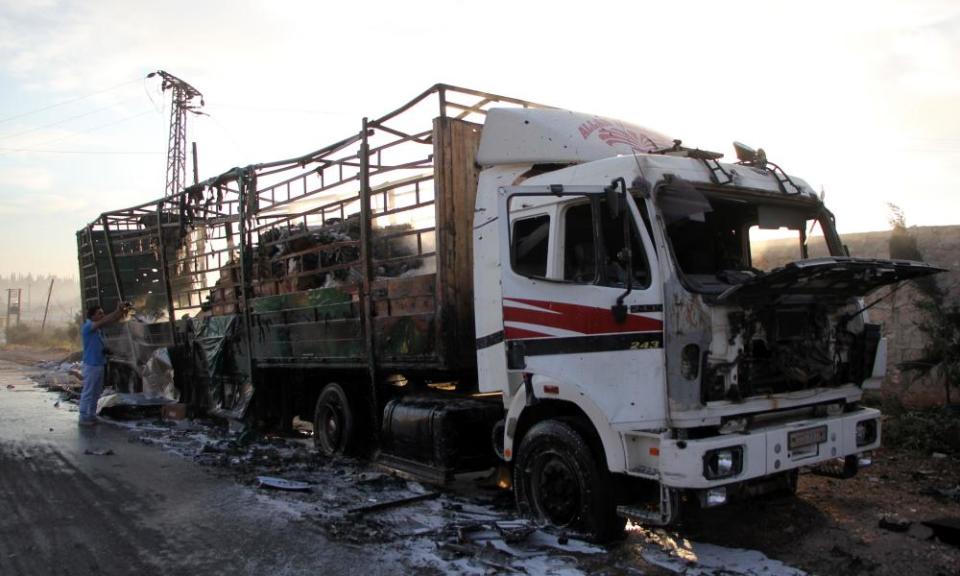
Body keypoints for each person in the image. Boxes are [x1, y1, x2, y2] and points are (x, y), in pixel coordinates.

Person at [79, 302, 130, 426]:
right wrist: (117, 310)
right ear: (92, 316)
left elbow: (111, 320)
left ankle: (91, 415)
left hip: (98, 364)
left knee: (96, 392)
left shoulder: (98, 331)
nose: (102, 315)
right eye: (99, 314)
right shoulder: (88, 326)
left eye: (102, 313)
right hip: (91, 365)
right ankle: (84, 416)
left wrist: (120, 312)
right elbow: (106, 320)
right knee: (89, 392)